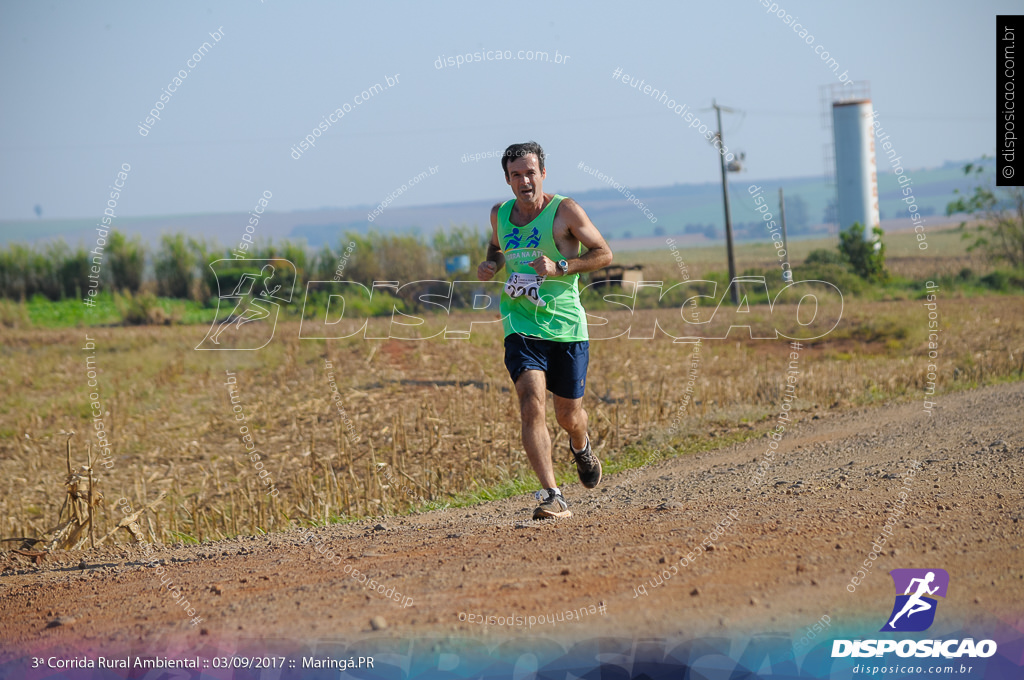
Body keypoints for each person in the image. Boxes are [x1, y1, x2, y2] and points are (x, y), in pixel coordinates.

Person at [477, 141, 613, 519]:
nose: (525, 181)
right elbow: (495, 248)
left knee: (568, 415)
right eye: (516, 174)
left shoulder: (564, 211)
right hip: (520, 325)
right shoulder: (499, 214)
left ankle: (581, 444)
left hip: (566, 326)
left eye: (530, 172)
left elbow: (604, 253)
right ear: (507, 179)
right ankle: (553, 495)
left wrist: (561, 267)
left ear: (543, 173)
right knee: (530, 402)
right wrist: (490, 265)